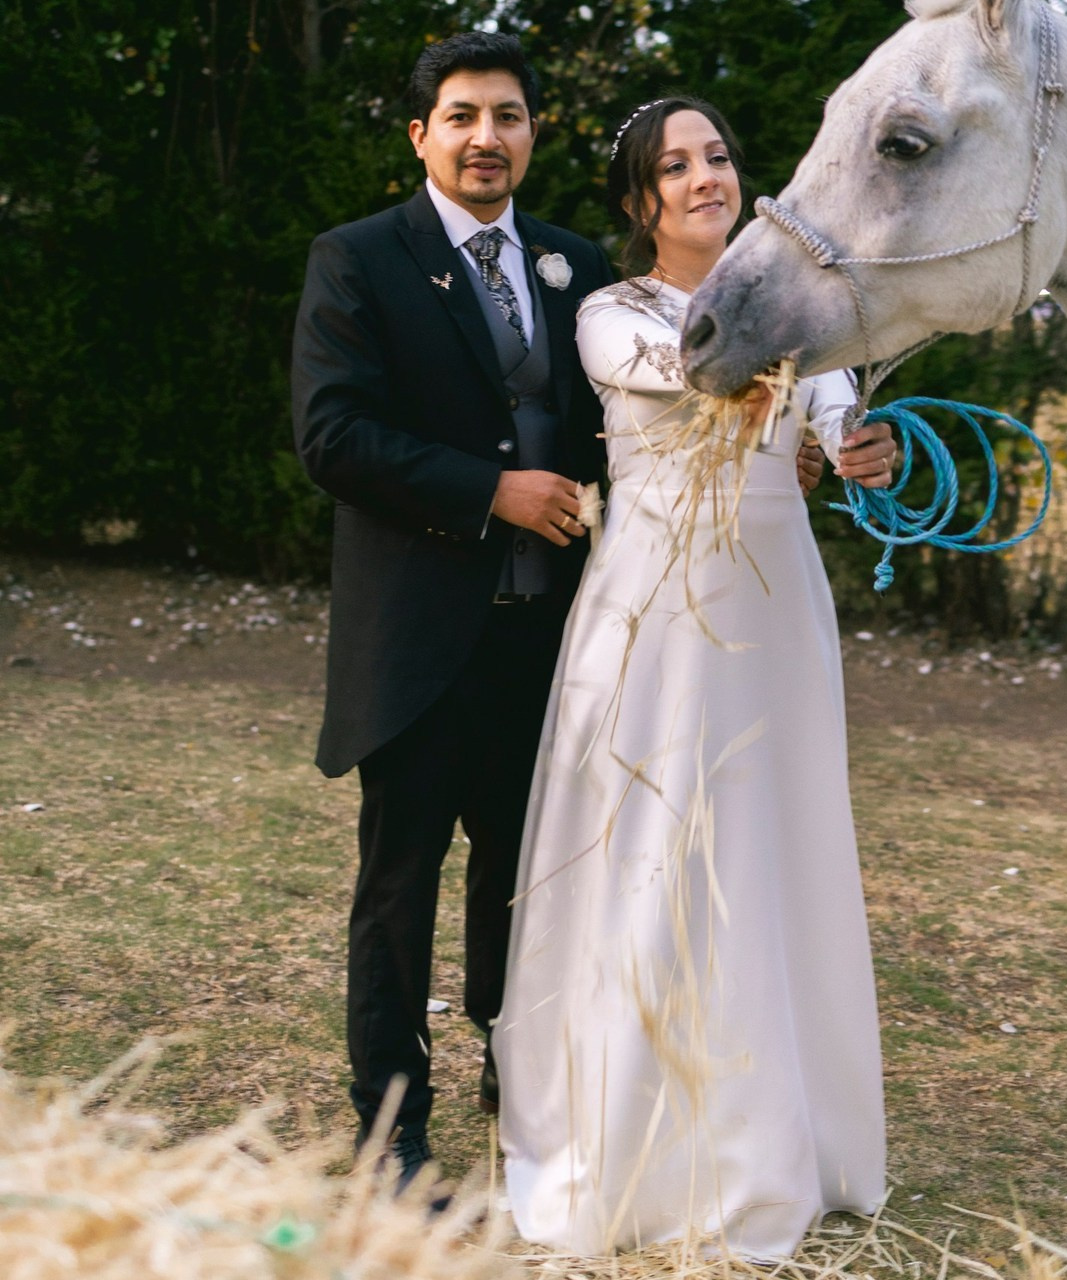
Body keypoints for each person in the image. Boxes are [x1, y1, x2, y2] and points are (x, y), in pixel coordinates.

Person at [492, 97, 894, 1257]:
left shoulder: (805, 314)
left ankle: (781, 1132)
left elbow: (832, 408)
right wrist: (813, 363)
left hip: (774, 607)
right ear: (640, 201)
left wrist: (858, 437)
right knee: (657, 842)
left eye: (716, 155)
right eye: (674, 166)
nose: (704, 176)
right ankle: (636, 1136)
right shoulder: (613, 316)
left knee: (773, 840)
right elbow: (704, 372)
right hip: (658, 610)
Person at [290, 31, 616, 1189]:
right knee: (399, 886)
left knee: (525, 877)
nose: (488, 137)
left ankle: (516, 1073)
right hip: (421, 639)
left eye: (509, 116)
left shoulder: (577, 265)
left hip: (547, 640)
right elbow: (333, 436)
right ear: (421, 134)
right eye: (465, 116)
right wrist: (491, 491)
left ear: (533, 133)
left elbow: (631, 430)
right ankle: (391, 1126)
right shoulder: (359, 259)